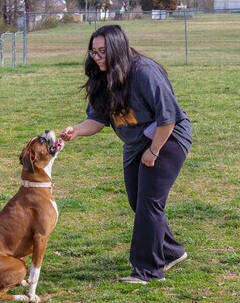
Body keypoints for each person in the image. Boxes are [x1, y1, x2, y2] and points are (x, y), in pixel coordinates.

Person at [60, 24, 192, 284]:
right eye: (93, 52)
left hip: (168, 137)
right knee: (137, 201)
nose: (96, 58)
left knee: (148, 203)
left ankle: (148, 271)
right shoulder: (103, 76)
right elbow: (97, 121)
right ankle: (172, 252)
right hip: (135, 144)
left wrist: (154, 151)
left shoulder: (144, 72)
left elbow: (169, 119)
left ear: (118, 49)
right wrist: (76, 130)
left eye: (102, 52)